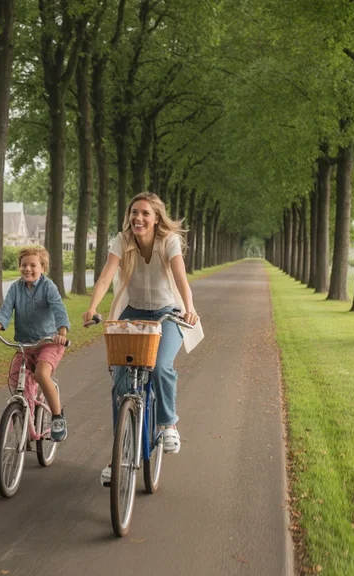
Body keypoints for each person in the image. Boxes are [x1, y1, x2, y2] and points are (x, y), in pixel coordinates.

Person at [84, 192, 204, 485]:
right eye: (134, 212)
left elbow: (181, 279)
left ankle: (168, 423)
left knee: (161, 366)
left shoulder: (168, 241)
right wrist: (92, 307)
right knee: (120, 381)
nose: (138, 218)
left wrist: (189, 309)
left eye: (145, 213)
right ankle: (119, 454)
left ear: (156, 218)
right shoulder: (122, 241)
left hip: (168, 313)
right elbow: (105, 276)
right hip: (134, 312)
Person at [0, 246, 71, 441]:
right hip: (25, 345)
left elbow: (59, 310)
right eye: (23, 265)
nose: (27, 269)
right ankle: (26, 419)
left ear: (43, 268)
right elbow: (4, 312)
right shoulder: (15, 288)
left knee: (41, 374)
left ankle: (57, 417)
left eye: (33, 265)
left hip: (49, 342)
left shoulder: (49, 287)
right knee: (15, 378)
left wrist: (62, 333)